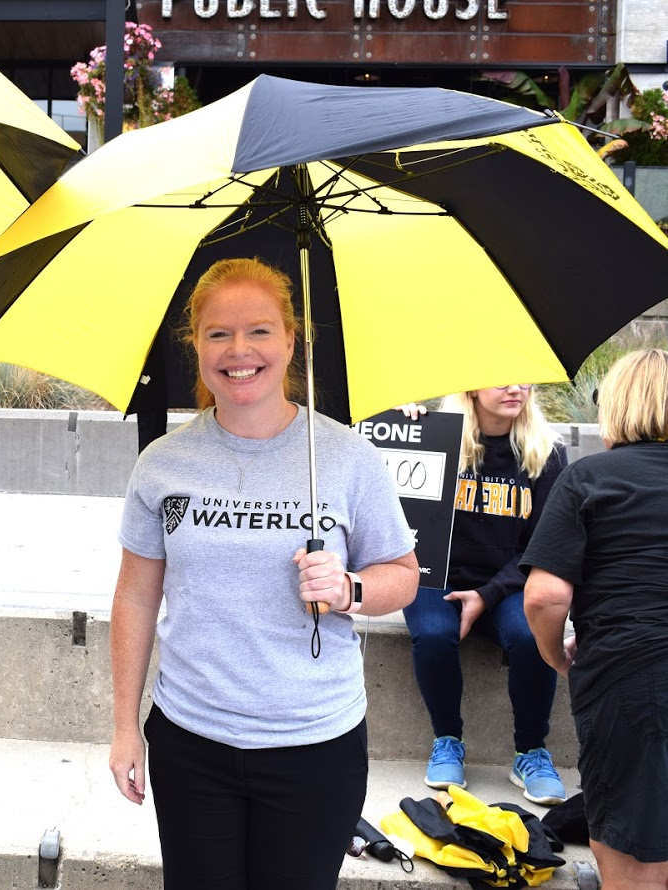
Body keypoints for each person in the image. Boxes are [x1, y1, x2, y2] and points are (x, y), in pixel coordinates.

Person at [109, 257, 419, 889]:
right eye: (218, 333)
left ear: (291, 340)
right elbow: (136, 596)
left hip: (315, 744)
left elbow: (404, 575)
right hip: (191, 739)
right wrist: (122, 729)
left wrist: (350, 588)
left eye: (259, 331)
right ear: (193, 345)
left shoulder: (345, 458)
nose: (239, 350)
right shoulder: (162, 464)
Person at [523, 348, 668, 890]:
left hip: (629, 675)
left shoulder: (591, 478)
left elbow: (543, 596)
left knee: (628, 818)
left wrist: (554, 655)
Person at [397, 386, 568, 805]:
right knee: (434, 635)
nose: (516, 387)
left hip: (509, 582)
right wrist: (403, 429)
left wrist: (487, 595)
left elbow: (541, 547)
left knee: (532, 635)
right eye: (501, 376)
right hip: (436, 578)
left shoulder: (547, 452)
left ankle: (530, 751)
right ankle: (448, 740)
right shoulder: (436, 437)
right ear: (472, 385)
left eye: (524, 377)